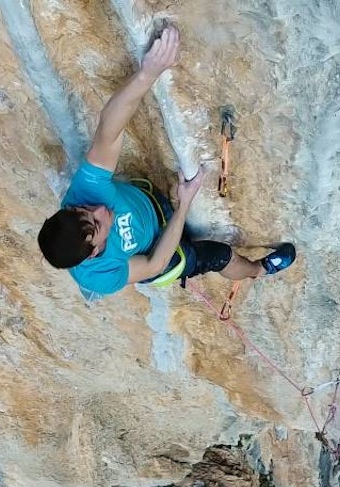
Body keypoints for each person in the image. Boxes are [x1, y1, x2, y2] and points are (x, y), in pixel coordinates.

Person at [37, 25, 297, 301]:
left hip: (149, 203)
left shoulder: (83, 195)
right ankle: (258, 270)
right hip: (157, 250)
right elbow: (153, 265)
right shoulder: (101, 276)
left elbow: (108, 131)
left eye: (86, 210)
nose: (101, 208)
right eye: (99, 224)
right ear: (92, 252)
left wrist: (147, 74)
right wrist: (183, 206)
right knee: (222, 256)